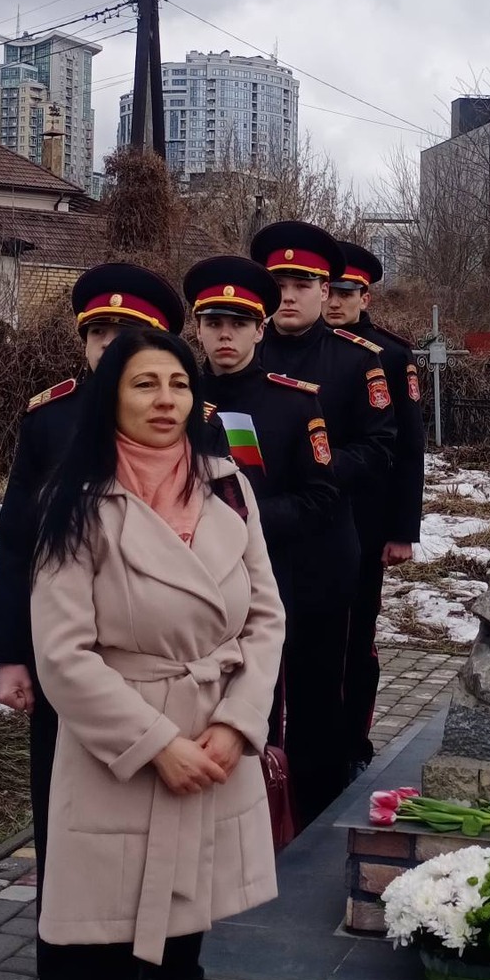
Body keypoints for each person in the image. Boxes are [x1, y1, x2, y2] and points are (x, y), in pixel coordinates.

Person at [30, 327, 284, 980]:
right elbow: (62, 655)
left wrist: (235, 727)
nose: (166, 399)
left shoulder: (229, 487)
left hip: (214, 751)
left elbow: (267, 616)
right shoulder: (76, 498)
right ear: (114, 395)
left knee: (180, 964)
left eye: (179, 382)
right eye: (146, 384)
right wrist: (156, 744)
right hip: (119, 759)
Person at [0, 262, 186, 980]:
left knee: (150, 831)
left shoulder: (190, 421)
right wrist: (12, 656)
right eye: (97, 332)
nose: (108, 345)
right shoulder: (50, 420)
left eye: (126, 333)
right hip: (67, 667)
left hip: (158, 669)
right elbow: (16, 543)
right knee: (64, 828)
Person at [183, 254, 355, 824]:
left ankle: (293, 817)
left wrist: (241, 524)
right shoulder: (175, 398)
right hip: (192, 585)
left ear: (260, 330)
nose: (224, 335)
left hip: (276, 577)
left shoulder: (292, 401)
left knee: (284, 704)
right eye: (213, 322)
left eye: (238, 323)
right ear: (197, 328)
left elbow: (320, 496)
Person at [248, 220, 396, 801]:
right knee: (250, 685)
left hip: (322, 548)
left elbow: (380, 446)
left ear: (324, 290)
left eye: (302, 284)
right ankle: (253, 804)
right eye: (278, 284)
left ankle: (316, 808)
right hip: (247, 548)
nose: (288, 296)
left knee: (317, 687)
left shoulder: (355, 361)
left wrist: (317, 474)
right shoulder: (239, 355)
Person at [324, 242, 426, 771]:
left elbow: (408, 447)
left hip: (364, 522)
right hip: (308, 519)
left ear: (365, 296)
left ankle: (352, 746)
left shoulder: (388, 354)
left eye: (346, 293)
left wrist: (402, 529)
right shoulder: (297, 349)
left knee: (355, 639)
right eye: (329, 291)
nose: (334, 302)